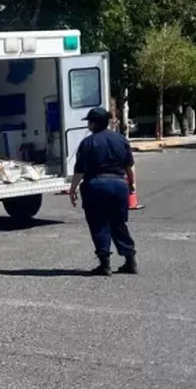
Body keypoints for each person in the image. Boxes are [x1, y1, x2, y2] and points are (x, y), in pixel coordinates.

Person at [66, 107, 138, 276]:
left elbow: (80, 171)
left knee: (99, 224)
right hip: (119, 185)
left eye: (89, 122)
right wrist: (132, 184)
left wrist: (73, 188)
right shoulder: (121, 140)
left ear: (93, 123)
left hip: (96, 185)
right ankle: (130, 260)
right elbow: (130, 166)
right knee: (119, 224)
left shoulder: (88, 143)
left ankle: (104, 263)